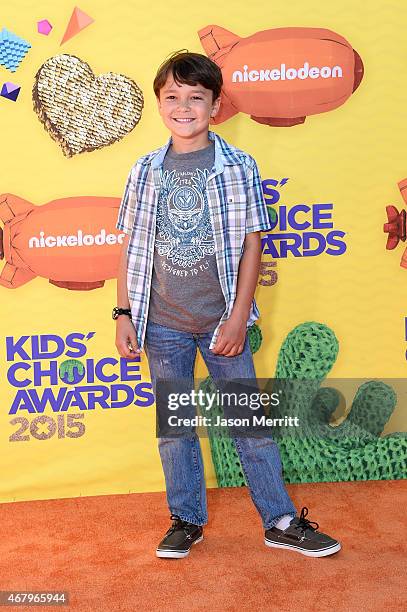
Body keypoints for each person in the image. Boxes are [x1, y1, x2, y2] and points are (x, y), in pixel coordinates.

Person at [114, 51, 341, 559]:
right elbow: (130, 248)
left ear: (215, 106)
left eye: (197, 97)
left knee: (250, 427)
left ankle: (280, 520)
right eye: (173, 96)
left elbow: (253, 244)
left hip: (222, 325)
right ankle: (185, 520)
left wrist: (239, 315)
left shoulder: (238, 166)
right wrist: (124, 313)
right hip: (162, 326)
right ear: (159, 104)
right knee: (175, 431)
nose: (184, 106)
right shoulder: (145, 170)